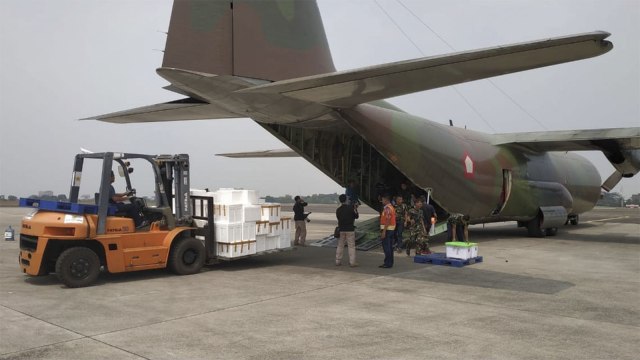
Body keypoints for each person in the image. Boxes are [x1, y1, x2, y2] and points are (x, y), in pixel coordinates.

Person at [335, 194, 359, 267]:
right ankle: (352, 262)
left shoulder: (338, 210)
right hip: (350, 229)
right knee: (351, 246)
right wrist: (355, 208)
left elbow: (339, 218)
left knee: (340, 245)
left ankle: (338, 261)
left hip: (341, 229)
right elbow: (356, 216)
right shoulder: (351, 208)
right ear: (346, 200)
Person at [379, 195, 396, 268]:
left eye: (382, 200)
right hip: (391, 230)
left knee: (387, 247)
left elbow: (388, 220)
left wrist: (384, 231)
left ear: (386, 200)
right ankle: (390, 262)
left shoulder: (387, 209)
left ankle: (387, 263)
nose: (382, 201)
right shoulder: (391, 207)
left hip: (387, 230)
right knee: (390, 247)